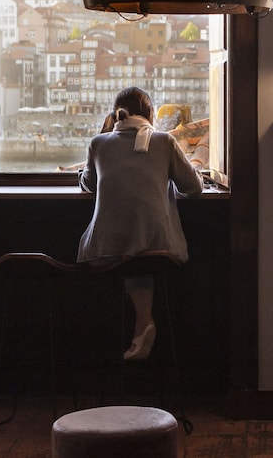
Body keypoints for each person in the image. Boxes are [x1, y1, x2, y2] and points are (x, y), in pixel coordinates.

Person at [78, 87, 204, 361]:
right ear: (150, 114)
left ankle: (142, 325)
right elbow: (195, 188)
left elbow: (88, 185)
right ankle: (144, 323)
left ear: (115, 115)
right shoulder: (164, 142)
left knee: (132, 248)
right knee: (142, 245)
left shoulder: (98, 143)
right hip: (158, 249)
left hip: (106, 249)